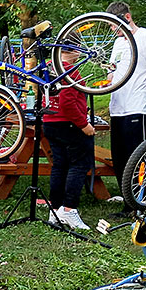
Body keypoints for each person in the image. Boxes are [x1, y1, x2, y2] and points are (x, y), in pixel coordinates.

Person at [106, 1, 146, 189]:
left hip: (139, 105)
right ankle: (129, 202)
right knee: (120, 156)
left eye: (114, 25)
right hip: (117, 107)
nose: (112, 30)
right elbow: (112, 71)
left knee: (138, 155)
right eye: (110, 26)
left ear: (127, 17)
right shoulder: (118, 43)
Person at [43, 42, 95, 230]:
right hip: (69, 123)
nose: (81, 55)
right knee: (79, 164)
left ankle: (54, 209)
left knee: (59, 165)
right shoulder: (70, 70)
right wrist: (84, 124)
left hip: (50, 120)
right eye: (79, 51)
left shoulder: (49, 66)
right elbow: (68, 102)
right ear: (72, 51)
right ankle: (69, 208)